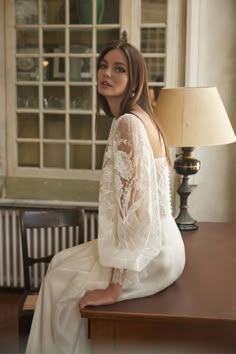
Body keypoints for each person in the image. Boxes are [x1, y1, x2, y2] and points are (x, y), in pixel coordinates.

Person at [26, 39, 185, 354]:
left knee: (59, 279)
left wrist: (115, 287)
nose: (106, 73)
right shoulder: (144, 118)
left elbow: (133, 214)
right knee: (59, 262)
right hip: (168, 247)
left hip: (150, 252)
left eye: (119, 69)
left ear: (135, 80)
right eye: (103, 66)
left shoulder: (128, 123)